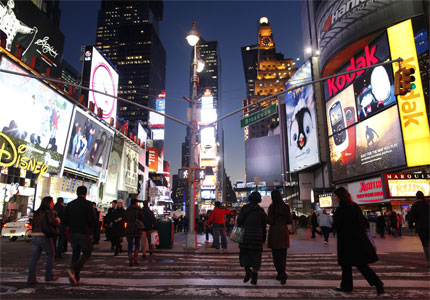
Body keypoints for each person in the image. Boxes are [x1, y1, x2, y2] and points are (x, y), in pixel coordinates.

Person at [332, 187, 384, 295]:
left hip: (346, 241)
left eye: (336, 196)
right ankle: (377, 283)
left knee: (346, 265)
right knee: (361, 265)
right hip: (358, 240)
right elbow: (364, 222)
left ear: (340, 197)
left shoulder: (342, 209)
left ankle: (347, 286)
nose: (335, 198)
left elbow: (337, 225)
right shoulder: (354, 206)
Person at [64, 186, 96, 286]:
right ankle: (73, 269)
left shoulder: (70, 205)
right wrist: (91, 230)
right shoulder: (88, 204)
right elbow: (92, 219)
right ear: (86, 193)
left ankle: (75, 277)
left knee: (76, 253)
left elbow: (65, 219)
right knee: (87, 253)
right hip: (83, 232)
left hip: (73, 232)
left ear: (76, 193)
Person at [27, 196, 59, 284]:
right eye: (52, 202)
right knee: (51, 254)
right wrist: (57, 220)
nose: (53, 203)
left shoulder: (36, 212)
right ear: (49, 203)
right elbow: (53, 222)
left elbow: (31, 222)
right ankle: (49, 276)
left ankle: (31, 278)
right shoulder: (49, 211)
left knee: (35, 258)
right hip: (44, 235)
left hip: (35, 235)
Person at [237, 192, 267, 285]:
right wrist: (263, 238)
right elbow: (264, 225)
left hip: (245, 236)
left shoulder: (245, 208)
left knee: (244, 255)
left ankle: (247, 271)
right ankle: (254, 276)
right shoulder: (261, 211)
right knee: (256, 257)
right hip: (257, 237)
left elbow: (239, 221)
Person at [267, 190, 292, 285]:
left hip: (274, 233)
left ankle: (281, 273)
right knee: (283, 255)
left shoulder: (272, 207)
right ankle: (282, 273)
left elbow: (270, 221)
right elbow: (289, 221)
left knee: (276, 255)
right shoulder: (286, 207)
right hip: (284, 232)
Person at [409, 191, 430, 267]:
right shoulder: (427, 204)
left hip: (421, 227)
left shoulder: (415, 205)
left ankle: (428, 261)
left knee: (425, 244)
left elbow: (411, 217)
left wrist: (411, 226)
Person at [124, 199, 144, 266]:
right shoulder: (139, 209)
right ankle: (135, 257)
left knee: (130, 244)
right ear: (136, 203)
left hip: (129, 228)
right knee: (137, 243)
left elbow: (125, 218)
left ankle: (130, 259)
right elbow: (142, 218)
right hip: (137, 228)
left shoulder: (128, 209)